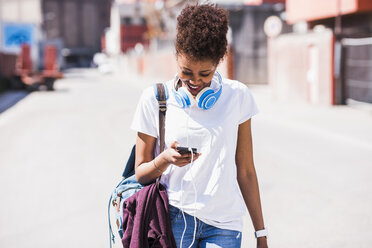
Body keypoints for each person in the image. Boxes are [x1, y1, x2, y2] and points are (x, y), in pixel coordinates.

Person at [131, 3, 268, 248]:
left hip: (225, 225)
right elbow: (140, 173)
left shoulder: (238, 97)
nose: (195, 81)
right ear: (176, 56)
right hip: (174, 220)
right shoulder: (154, 100)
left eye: (205, 73)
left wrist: (261, 233)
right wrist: (164, 160)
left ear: (219, 62)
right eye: (186, 71)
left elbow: (246, 170)